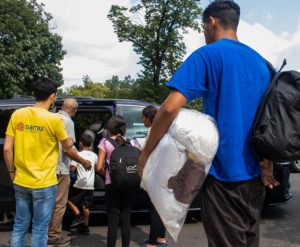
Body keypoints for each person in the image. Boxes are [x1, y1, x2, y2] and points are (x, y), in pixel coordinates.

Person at [137, 1, 279, 246]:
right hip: (255, 177)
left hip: (224, 177)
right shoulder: (262, 64)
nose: (204, 33)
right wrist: (268, 164)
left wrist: (146, 155)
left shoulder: (208, 55)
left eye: (203, 27)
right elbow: (270, 122)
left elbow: (169, 108)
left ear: (211, 21)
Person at [3, 77, 88, 247]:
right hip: (45, 183)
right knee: (40, 228)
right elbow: (67, 145)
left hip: (21, 180)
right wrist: (70, 141)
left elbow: (7, 149)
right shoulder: (55, 120)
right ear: (52, 96)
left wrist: (12, 173)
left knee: (20, 225)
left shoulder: (18, 114)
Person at [48, 98, 92, 246]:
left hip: (47, 167)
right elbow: (68, 149)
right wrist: (83, 161)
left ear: (62, 107)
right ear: (74, 110)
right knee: (59, 204)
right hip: (60, 168)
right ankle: (53, 236)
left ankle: (42, 233)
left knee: (47, 202)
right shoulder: (68, 122)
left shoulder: (51, 117)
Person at [96, 115, 136, 247]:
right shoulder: (131, 142)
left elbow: (99, 167)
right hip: (129, 184)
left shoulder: (105, 142)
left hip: (112, 185)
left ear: (110, 127)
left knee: (113, 220)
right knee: (126, 217)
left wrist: (108, 174)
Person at [140, 105, 168, 247]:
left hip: (155, 173)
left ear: (148, 118)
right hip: (165, 172)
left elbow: (146, 150)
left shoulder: (153, 130)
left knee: (155, 208)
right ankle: (161, 238)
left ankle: (152, 243)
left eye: (142, 117)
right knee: (161, 207)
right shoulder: (165, 129)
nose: (142, 120)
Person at [67, 132, 98, 235]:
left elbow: (72, 169)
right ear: (90, 144)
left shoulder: (78, 155)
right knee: (86, 206)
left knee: (68, 199)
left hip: (80, 184)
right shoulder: (94, 155)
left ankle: (78, 215)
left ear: (80, 143)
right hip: (90, 185)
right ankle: (85, 227)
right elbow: (96, 168)